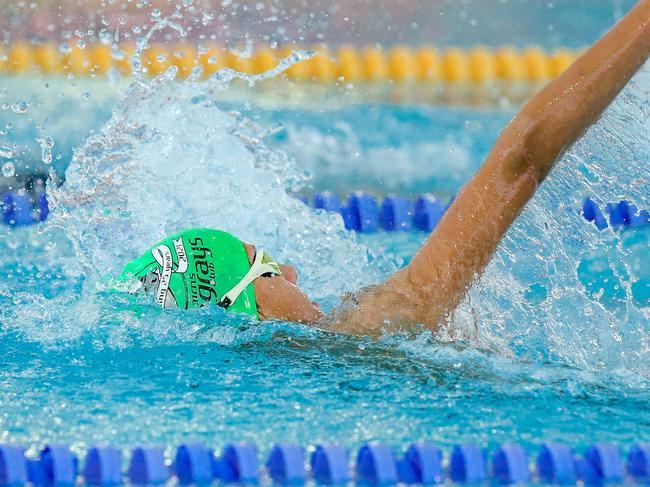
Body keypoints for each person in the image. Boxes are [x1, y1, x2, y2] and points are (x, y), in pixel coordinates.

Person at [121, 0, 650, 337]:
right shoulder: (375, 328)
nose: (292, 273)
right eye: (267, 268)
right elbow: (523, 158)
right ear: (247, 310)